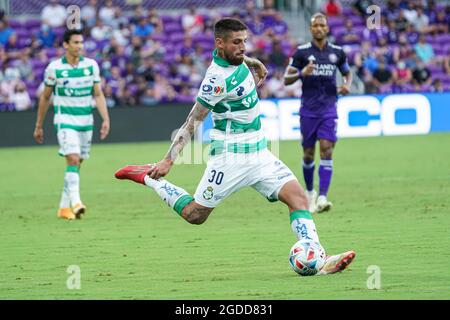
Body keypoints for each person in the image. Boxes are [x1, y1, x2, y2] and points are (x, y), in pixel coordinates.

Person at [115, 18, 355, 275]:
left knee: (298, 199)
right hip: (231, 159)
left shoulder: (235, 58)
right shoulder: (215, 80)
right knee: (195, 215)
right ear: (220, 43)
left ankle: (319, 260)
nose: (242, 47)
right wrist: (168, 160)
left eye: (244, 42)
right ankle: (149, 177)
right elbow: (193, 121)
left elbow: (233, 57)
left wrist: (251, 61)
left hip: (261, 154)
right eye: (237, 43)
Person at [33, 29, 110, 220]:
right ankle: (76, 202)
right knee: (73, 159)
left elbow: (98, 94)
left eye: (81, 42)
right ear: (66, 45)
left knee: (76, 165)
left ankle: (63, 208)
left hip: (86, 122)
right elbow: (45, 97)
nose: (80, 46)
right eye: (75, 42)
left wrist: (106, 119)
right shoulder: (54, 68)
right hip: (65, 121)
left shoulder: (91, 66)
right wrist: (38, 125)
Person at [283, 13, 353, 213]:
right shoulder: (302, 52)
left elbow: (347, 72)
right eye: (316, 25)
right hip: (308, 111)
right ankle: (310, 192)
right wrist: (301, 73)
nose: (319, 28)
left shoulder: (337, 52)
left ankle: (322, 197)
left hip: (329, 108)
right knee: (308, 153)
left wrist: (346, 85)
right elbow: (286, 78)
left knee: (327, 148)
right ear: (311, 29)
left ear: (328, 28)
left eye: (323, 25)